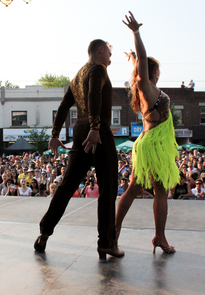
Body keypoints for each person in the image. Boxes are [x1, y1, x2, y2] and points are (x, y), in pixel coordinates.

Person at [34, 38, 123, 259]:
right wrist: (95, 127)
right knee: (109, 188)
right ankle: (106, 243)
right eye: (109, 53)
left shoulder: (77, 77)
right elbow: (94, 94)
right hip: (98, 130)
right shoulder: (98, 69)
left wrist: (55, 135)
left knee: (67, 185)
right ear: (100, 50)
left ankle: (44, 232)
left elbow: (64, 106)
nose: (110, 58)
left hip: (79, 129)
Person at [115, 12, 179, 254]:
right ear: (152, 70)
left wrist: (132, 57)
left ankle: (115, 230)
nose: (159, 73)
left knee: (134, 188)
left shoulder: (148, 85)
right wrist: (136, 33)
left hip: (150, 143)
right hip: (151, 145)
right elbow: (141, 59)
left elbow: (137, 60)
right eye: (157, 70)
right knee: (160, 190)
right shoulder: (145, 85)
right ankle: (159, 237)